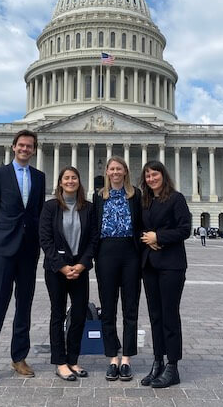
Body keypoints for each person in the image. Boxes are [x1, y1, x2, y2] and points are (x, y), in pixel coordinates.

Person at [0, 130, 46, 388]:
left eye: (29, 146)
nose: (25, 149)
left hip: (29, 249)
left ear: (34, 150)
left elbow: (37, 212)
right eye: (21, 145)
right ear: (14, 147)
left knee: (24, 305)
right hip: (3, 248)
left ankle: (19, 357)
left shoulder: (39, 177)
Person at [39, 166, 98, 381]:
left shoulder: (88, 208)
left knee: (80, 313)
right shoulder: (50, 207)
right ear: (60, 182)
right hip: (56, 269)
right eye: (67, 178)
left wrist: (82, 264)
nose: (70, 181)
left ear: (79, 182)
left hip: (80, 268)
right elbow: (45, 240)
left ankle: (73, 359)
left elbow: (93, 239)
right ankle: (60, 362)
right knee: (58, 313)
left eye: (74, 177)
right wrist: (62, 266)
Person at [139, 160, 191, 388]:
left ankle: (173, 366)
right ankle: (157, 361)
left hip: (171, 265)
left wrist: (158, 237)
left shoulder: (176, 198)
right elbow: (138, 227)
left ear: (163, 175)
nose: (152, 178)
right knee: (155, 316)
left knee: (170, 316)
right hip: (150, 265)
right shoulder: (145, 201)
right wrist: (147, 238)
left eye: (155, 174)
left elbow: (184, 229)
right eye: (148, 175)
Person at [93, 156, 142, 381]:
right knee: (108, 308)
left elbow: (142, 223)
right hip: (106, 253)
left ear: (125, 171)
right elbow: (93, 228)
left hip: (130, 253)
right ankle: (112, 357)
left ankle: (127, 358)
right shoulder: (98, 196)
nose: (115, 172)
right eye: (111, 169)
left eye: (119, 169)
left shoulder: (136, 195)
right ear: (107, 172)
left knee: (130, 307)